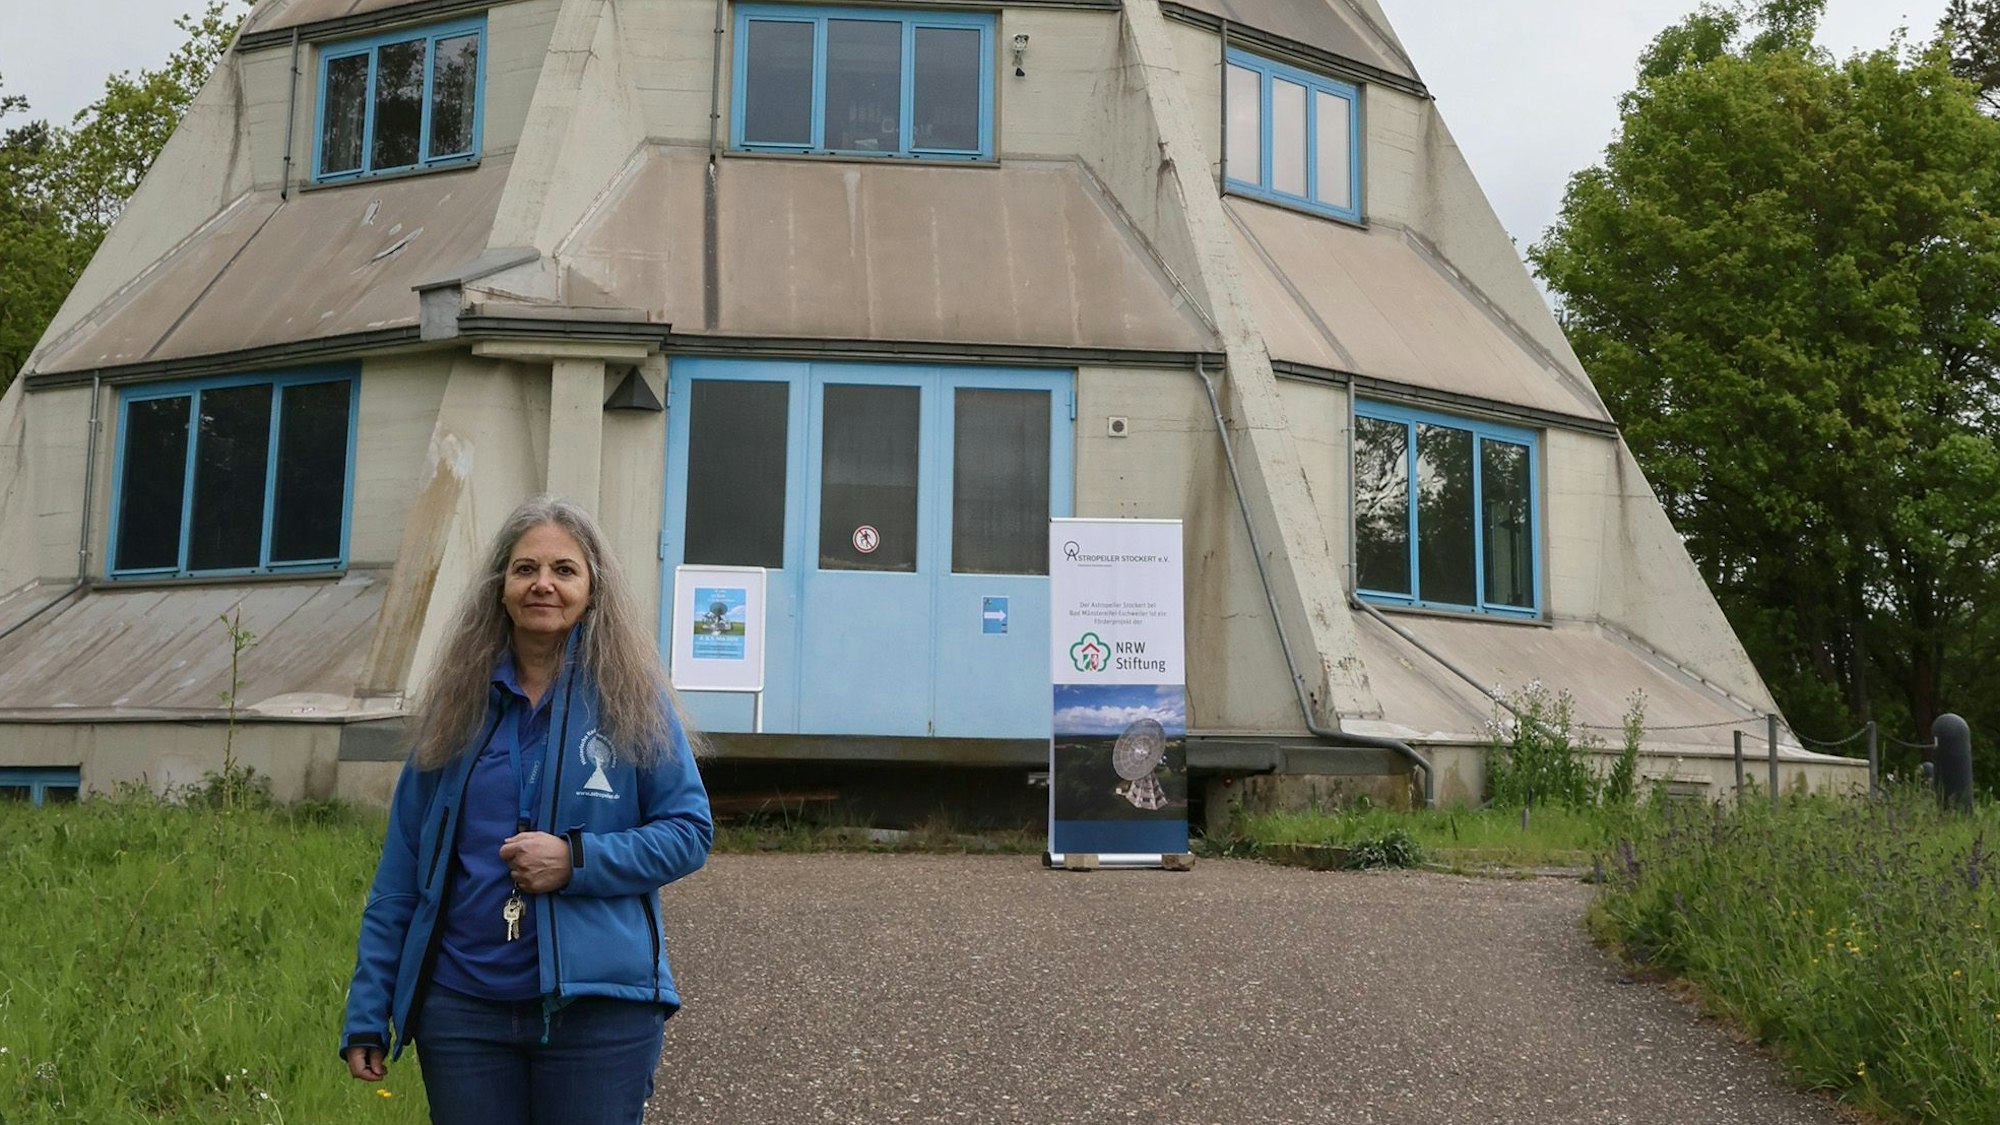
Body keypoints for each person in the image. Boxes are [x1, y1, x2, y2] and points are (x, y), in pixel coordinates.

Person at [340, 495, 713, 1125]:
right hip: (461, 1013)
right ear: (501, 588)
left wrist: (577, 860)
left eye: (564, 570)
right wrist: (369, 1005)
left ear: (593, 590)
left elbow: (688, 832)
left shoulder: (631, 698)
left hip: (598, 1012)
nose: (543, 584)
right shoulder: (458, 701)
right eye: (525, 569)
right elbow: (402, 871)